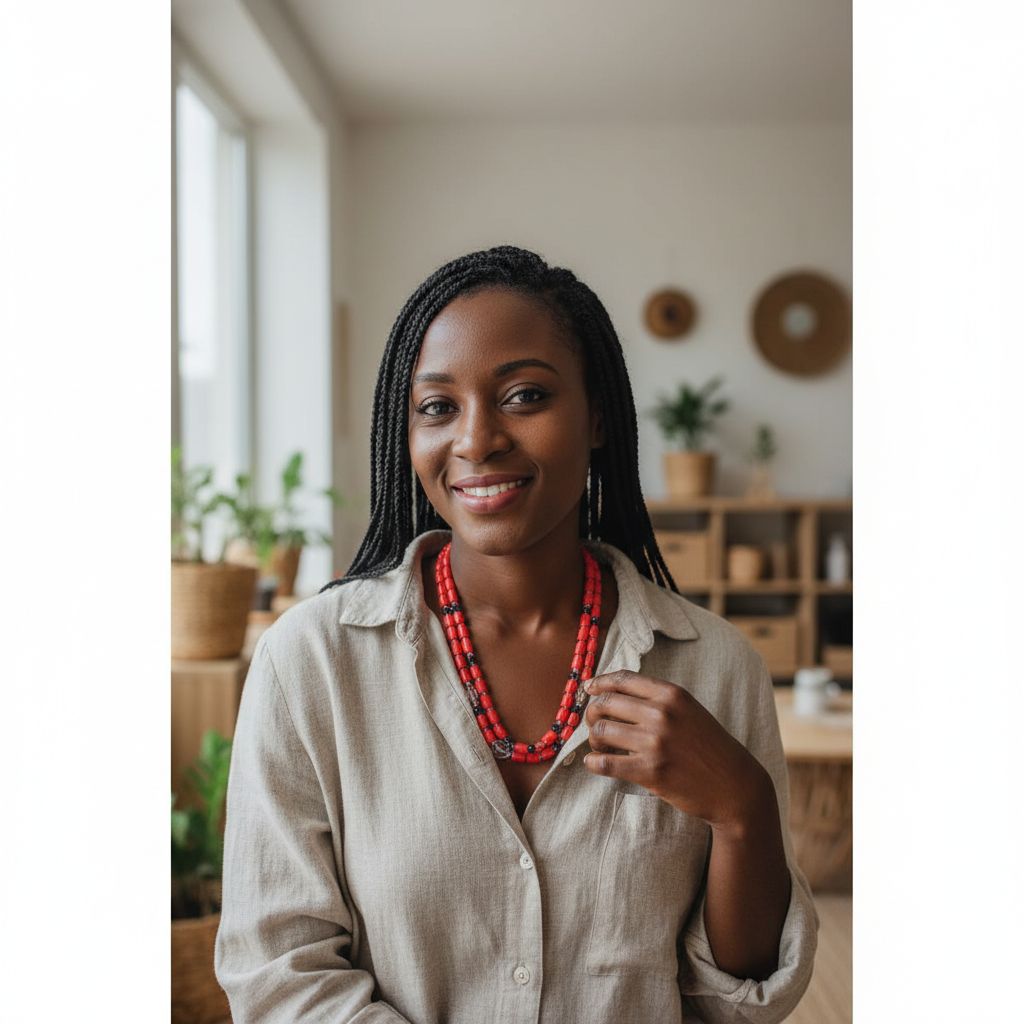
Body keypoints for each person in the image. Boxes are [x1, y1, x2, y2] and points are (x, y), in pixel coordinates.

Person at [214, 245, 818, 1023]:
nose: (477, 439)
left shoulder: (715, 667)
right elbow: (278, 974)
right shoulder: (312, 663)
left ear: (597, 416)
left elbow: (735, 1004)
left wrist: (744, 809)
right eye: (437, 406)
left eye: (525, 395)